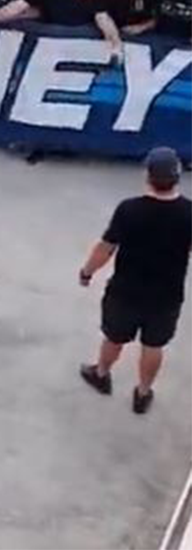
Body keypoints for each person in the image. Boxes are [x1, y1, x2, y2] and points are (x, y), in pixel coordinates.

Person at [78, 147, 192, 414]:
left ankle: (101, 374)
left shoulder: (129, 210)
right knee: (154, 345)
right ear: (177, 177)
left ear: (148, 176)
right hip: (166, 296)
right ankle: (142, 393)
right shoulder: (189, 213)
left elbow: (106, 248)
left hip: (125, 293)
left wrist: (87, 272)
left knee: (114, 338)